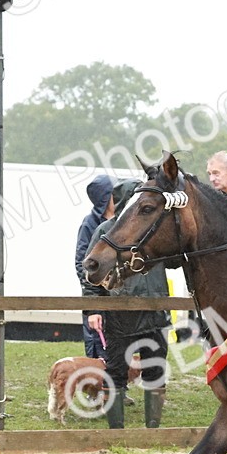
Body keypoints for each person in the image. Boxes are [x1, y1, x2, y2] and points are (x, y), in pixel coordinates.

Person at [84, 178, 170, 429]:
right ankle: (116, 433)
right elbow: (90, 271)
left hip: (155, 312)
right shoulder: (106, 231)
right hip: (120, 313)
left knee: (155, 371)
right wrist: (94, 308)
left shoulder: (156, 231)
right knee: (117, 372)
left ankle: (153, 431)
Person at [75, 175, 114, 360]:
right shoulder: (89, 225)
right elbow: (82, 265)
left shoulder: (125, 220)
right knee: (98, 353)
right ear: (105, 198)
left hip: (119, 302)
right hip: (98, 299)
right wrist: (93, 308)